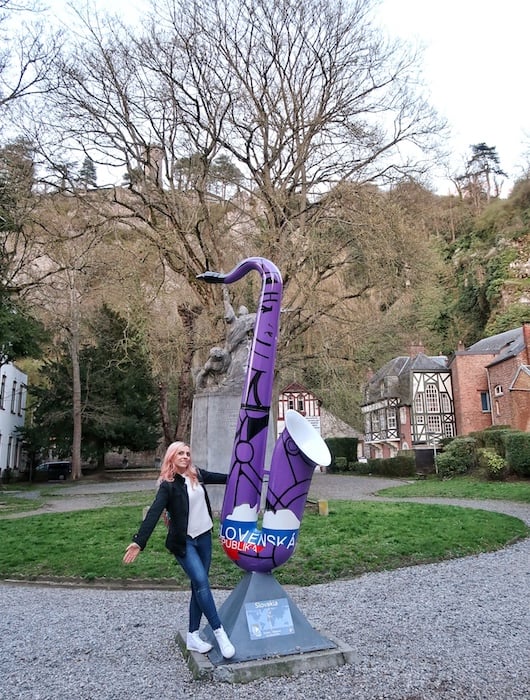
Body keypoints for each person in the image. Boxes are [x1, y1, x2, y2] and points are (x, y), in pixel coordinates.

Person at [122, 441, 235, 659]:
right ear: (171, 457)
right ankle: (220, 633)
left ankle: (193, 636)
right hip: (184, 543)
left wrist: (247, 474)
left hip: (204, 538)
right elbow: (155, 512)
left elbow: (226, 478)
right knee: (201, 582)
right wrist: (139, 541)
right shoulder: (168, 484)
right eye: (180, 453)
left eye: (187, 453)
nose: (185, 456)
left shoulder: (197, 475)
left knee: (197, 586)